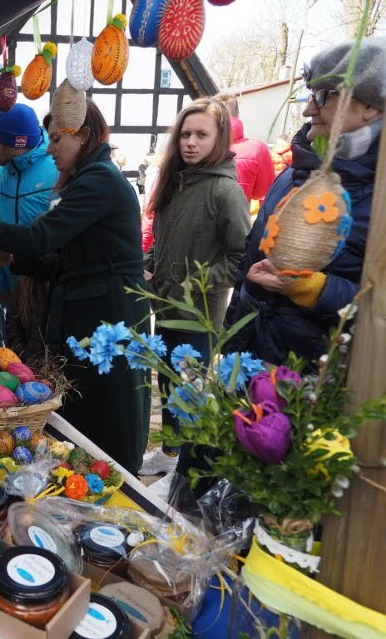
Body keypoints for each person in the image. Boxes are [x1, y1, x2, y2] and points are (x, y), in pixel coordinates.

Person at [0, 100, 150, 474]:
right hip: (93, 311)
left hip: (109, 315)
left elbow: (43, 235)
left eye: (55, 140)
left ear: (81, 136)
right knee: (89, 408)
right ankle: (86, 472)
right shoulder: (90, 177)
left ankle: (115, 477)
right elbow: (65, 256)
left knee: (109, 409)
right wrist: (14, 261)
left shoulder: (99, 180)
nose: (49, 149)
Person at [225, 37, 384, 365]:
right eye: (310, 95)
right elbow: (250, 265)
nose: (308, 108)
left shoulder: (379, 194)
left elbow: (377, 309)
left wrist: (313, 289)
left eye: (324, 96)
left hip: (319, 393)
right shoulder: (294, 173)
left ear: (370, 106)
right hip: (250, 367)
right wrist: (228, 344)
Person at [141, 98, 250, 495]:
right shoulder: (176, 183)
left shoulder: (225, 192)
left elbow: (242, 258)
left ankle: (182, 475)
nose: (190, 142)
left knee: (188, 390)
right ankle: (170, 454)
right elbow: (165, 241)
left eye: (201, 135)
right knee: (168, 383)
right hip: (166, 306)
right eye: (185, 134)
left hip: (198, 314)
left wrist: (195, 282)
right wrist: (150, 262)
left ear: (219, 139)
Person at [0, 104, 60, 351]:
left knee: (45, 369)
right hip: (11, 295)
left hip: (49, 294)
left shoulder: (57, 171)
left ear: (17, 144)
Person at [218, 94, 275, 210]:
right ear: (237, 114)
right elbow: (262, 192)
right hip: (237, 220)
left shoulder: (196, 145)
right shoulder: (258, 149)